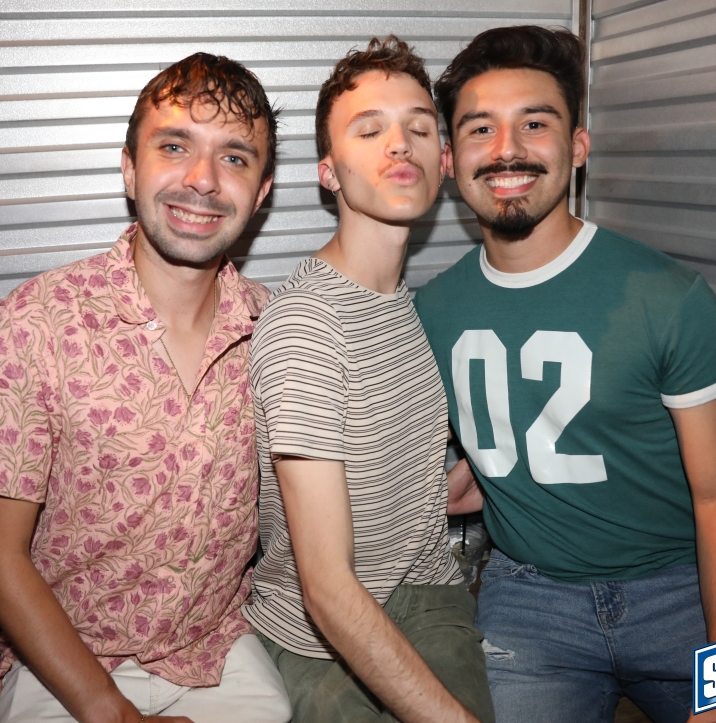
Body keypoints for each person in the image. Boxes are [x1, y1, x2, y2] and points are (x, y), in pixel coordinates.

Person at [414, 26, 716, 723]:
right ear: (449, 161)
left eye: (535, 123)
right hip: (530, 595)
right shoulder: (430, 313)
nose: (507, 149)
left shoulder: (668, 296)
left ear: (578, 146)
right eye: (480, 128)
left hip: (682, 590)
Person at [0, 53, 292, 723]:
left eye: (234, 158)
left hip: (214, 647)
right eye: (174, 146)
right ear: (130, 168)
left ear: (262, 191)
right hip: (64, 657)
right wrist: (111, 711)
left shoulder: (274, 329)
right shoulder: (40, 319)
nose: (202, 179)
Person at [242, 36, 494, 723]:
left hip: (429, 595)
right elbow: (327, 588)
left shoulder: (416, 309)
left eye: (419, 128)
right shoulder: (307, 326)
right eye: (370, 129)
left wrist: (433, 490)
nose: (400, 143)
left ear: (444, 162)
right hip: (313, 632)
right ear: (329, 173)